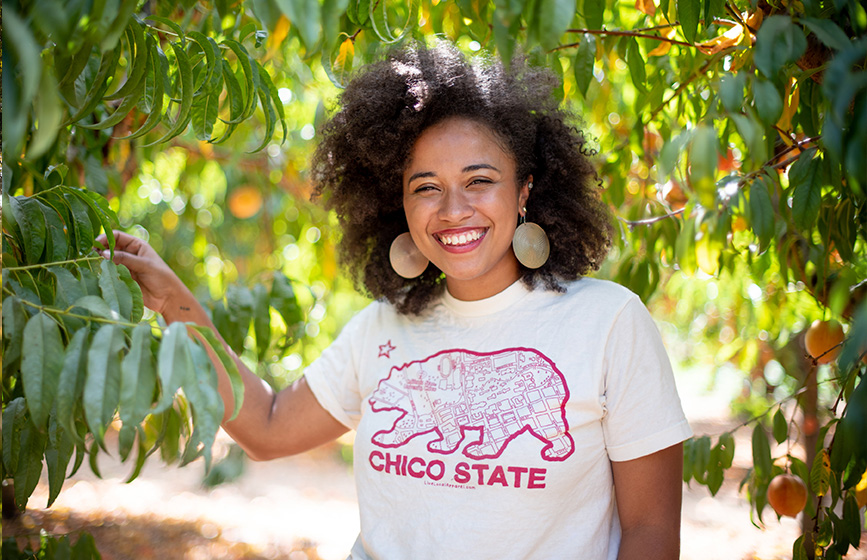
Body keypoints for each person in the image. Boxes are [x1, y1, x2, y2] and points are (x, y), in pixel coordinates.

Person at [103, 41, 692, 560]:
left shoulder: (608, 322)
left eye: (479, 180)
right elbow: (267, 427)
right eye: (426, 187)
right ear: (400, 209)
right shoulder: (381, 329)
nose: (453, 209)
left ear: (525, 192)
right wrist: (173, 301)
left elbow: (651, 533)